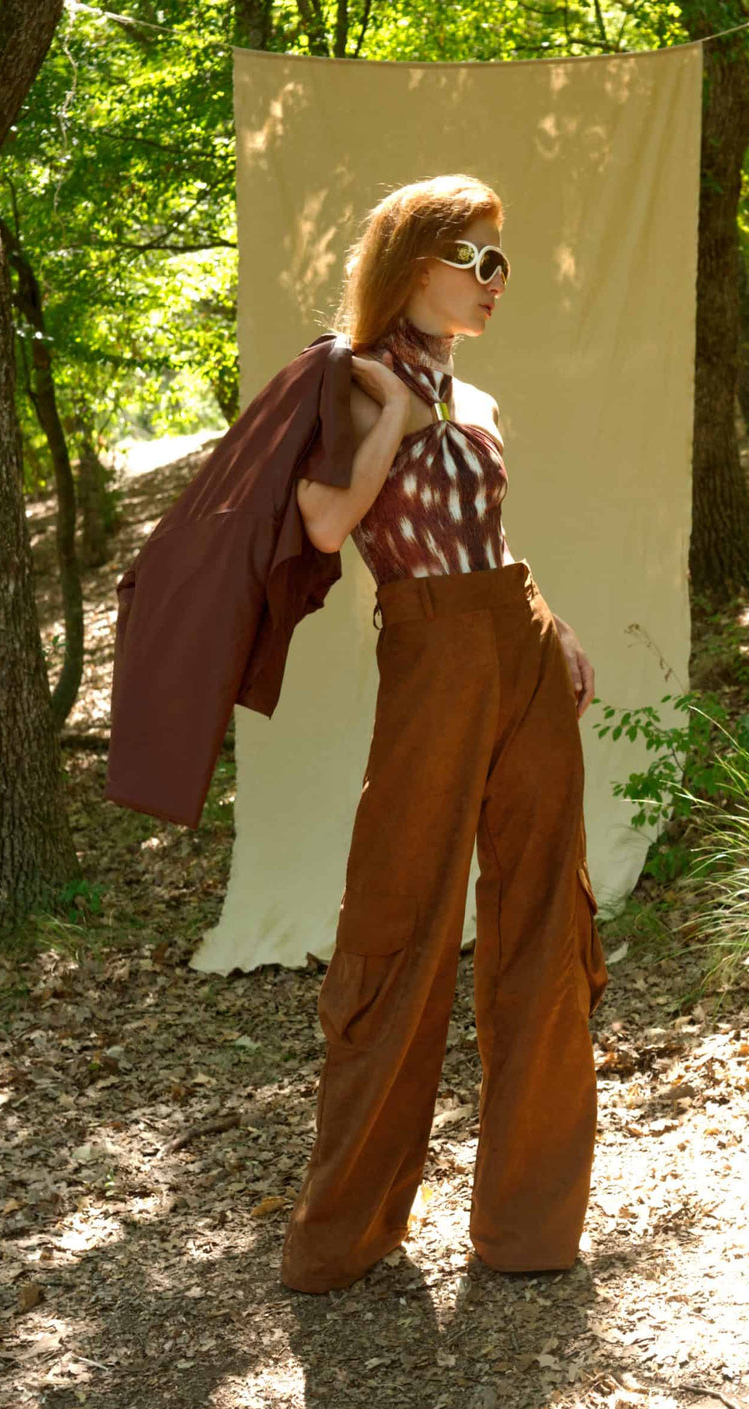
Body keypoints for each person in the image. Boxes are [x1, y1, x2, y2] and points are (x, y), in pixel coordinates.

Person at [280, 172, 609, 1295]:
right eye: (476, 259)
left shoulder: (478, 403)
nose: (493, 282)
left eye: (500, 262)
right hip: (429, 655)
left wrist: (550, 626)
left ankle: (526, 1230)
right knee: (402, 922)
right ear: (414, 263)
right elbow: (326, 525)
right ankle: (346, 1234)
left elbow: (489, 529)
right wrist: (391, 430)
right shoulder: (356, 386)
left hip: (516, 640)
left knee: (542, 916)